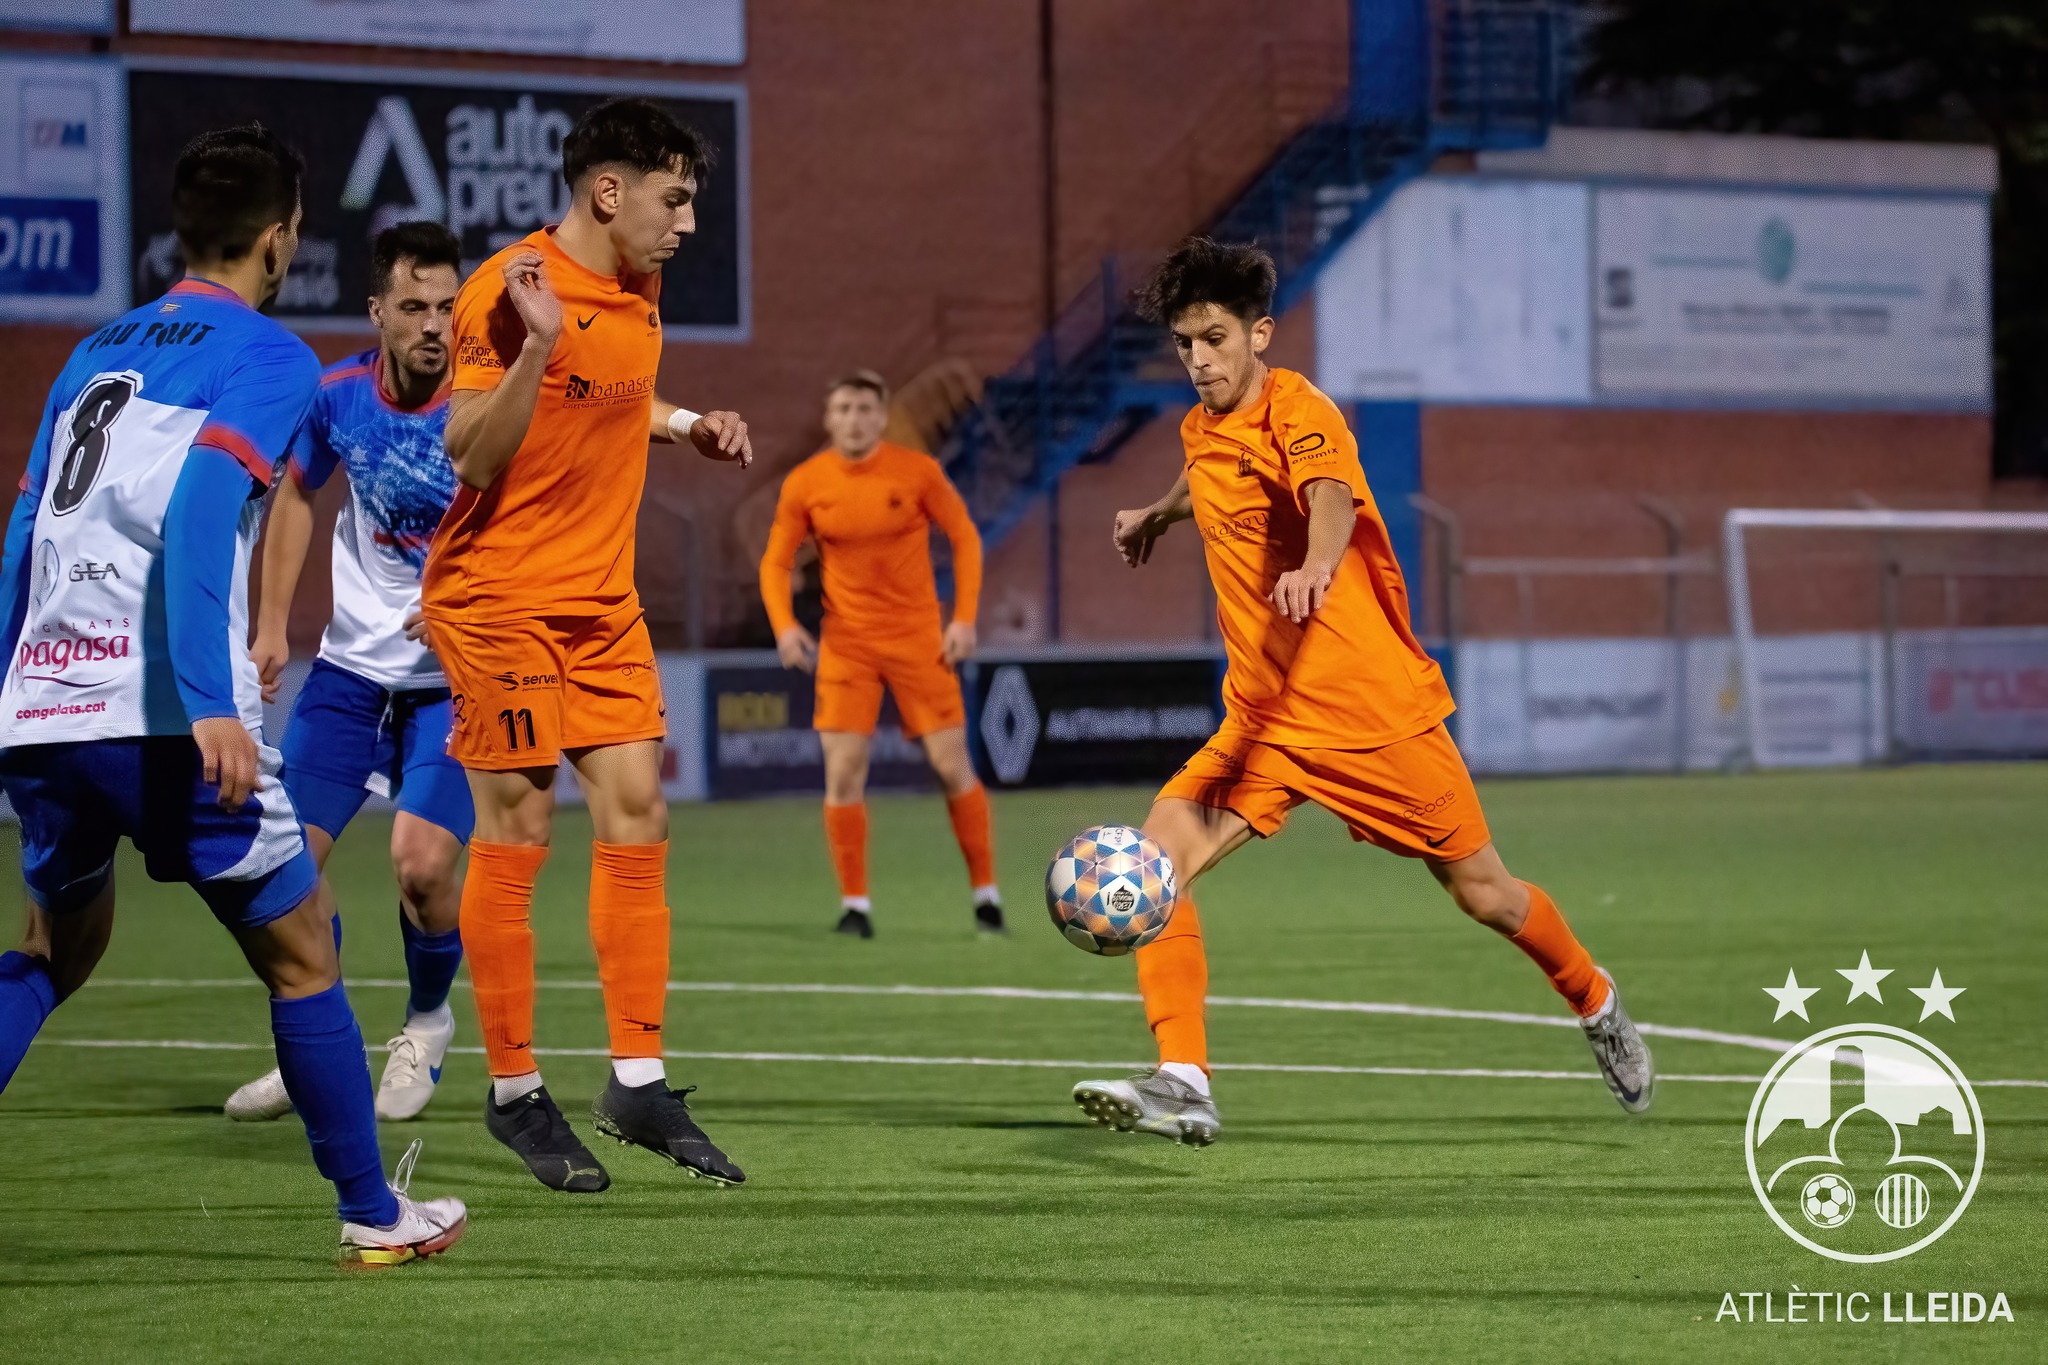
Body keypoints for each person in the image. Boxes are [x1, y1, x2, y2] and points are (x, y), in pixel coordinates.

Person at [0, 124, 465, 1264]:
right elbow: (206, 502)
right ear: (279, 239)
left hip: (43, 705)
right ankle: (374, 1214)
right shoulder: (268, 355)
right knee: (305, 949)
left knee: (54, 947)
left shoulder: (92, 349)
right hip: (163, 714)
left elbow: (24, 528)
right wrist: (209, 698)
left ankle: (374, 1208)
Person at [1071, 237, 1654, 1144]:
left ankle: (1594, 997)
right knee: (1152, 871)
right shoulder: (1201, 428)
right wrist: (1157, 512)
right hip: (1264, 721)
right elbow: (1209, 476)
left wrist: (1316, 563)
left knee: (1486, 893)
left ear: (1259, 333)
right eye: (1185, 343)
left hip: (1371, 712)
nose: (1199, 359)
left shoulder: (1301, 408)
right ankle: (1184, 1077)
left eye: (1216, 339)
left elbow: (1330, 493)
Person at [427, 97, 753, 1192]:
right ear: (608, 191)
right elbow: (472, 454)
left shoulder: (636, 280)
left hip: (600, 601)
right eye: (675, 199)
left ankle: (637, 1082)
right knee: (520, 825)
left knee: (639, 810)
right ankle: (514, 1090)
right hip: (499, 596)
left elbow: (609, 388)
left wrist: (684, 423)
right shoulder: (506, 290)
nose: (688, 223)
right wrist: (538, 344)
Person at [223, 221, 473, 1125]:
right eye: (414, 306)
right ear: (377, 311)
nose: (433, 324)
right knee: (283, 871)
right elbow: (297, 491)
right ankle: (317, 1045)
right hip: (349, 671)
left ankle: (428, 1022)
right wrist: (271, 627)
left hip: (455, 676)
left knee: (422, 867)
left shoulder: (485, 403)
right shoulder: (336, 396)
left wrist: (467, 597)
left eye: (447, 306)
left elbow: (537, 519)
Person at [759, 371, 1001, 939]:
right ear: (829, 418)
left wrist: (964, 618)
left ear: (882, 416)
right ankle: (855, 907)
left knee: (951, 767)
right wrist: (785, 628)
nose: (854, 420)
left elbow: (964, 536)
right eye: (844, 409)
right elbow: (776, 561)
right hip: (847, 647)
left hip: (919, 640)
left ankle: (986, 896)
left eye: (865, 409)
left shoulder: (917, 472)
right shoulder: (806, 483)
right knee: (843, 774)